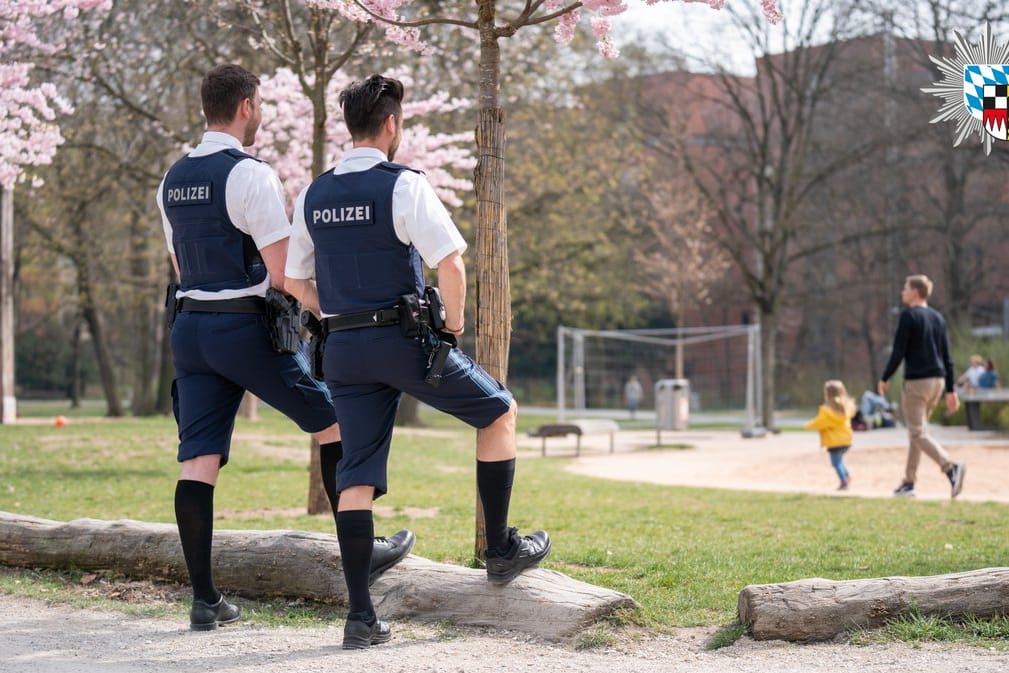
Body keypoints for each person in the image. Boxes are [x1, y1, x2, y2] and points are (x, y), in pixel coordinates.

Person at [284, 74, 551, 650]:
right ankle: (500, 549)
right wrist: (451, 326)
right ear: (390, 126)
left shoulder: (313, 193)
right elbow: (450, 264)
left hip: (343, 350)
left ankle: (360, 618)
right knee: (499, 412)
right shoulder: (403, 185)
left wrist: (336, 311)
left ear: (348, 126)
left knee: (354, 472)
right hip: (405, 343)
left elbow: (291, 279)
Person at [156, 65, 414, 631]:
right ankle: (362, 549)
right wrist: (335, 312)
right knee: (336, 424)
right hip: (244, 329)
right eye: (261, 106)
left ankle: (205, 601)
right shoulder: (250, 175)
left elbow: (181, 266)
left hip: (189, 329)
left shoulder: (171, 179)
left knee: (198, 461)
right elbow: (280, 273)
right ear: (247, 106)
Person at [878, 274, 965, 499]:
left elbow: (898, 352)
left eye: (905, 288)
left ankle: (950, 467)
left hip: (917, 383)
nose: (902, 292)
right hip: (937, 382)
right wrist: (950, 390)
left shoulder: (909, 317)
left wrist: (885, 377)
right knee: (918, 434)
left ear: (916, 291)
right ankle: (909, 482)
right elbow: (947, 357)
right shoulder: (938, 318)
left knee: (917, 433)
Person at [804, 380, 855, 490]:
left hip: (834, 441)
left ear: (828, 394)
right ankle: (846, 476)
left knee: (836, 462)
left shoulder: (826, 410)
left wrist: (808, 426)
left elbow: (820, 422)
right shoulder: (846, 407)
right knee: (839, 461)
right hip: (846, 440)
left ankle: (844, 480)